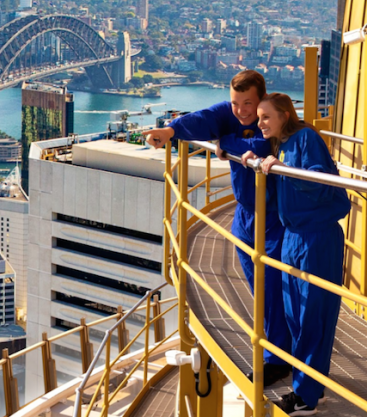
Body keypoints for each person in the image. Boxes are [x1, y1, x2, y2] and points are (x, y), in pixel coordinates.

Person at [143, 70, 292, 386]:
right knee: (259, 290)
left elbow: (263, 148)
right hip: (246, 218)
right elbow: (204, 118)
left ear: (261, 98)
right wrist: (171, 131)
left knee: (272, 288)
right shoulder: (230, 113)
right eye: (236, 103)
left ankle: (278, 358)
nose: (241, 111)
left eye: (247, 104)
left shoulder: (269, 117)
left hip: (276, 218)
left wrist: (225, 141)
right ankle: (276, 349)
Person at [239, 93, 350, 416]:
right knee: (295, 317)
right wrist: (253, 162)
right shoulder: (282, 144)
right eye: (258, 117)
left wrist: (282, 168)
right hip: (294, 237)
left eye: (265, 117)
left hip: (316, 237)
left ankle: (306, 397)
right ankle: (313, 388)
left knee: (312, 317)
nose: (259, 123)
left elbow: (317, 181)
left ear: (285, 115)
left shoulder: (305, 138)